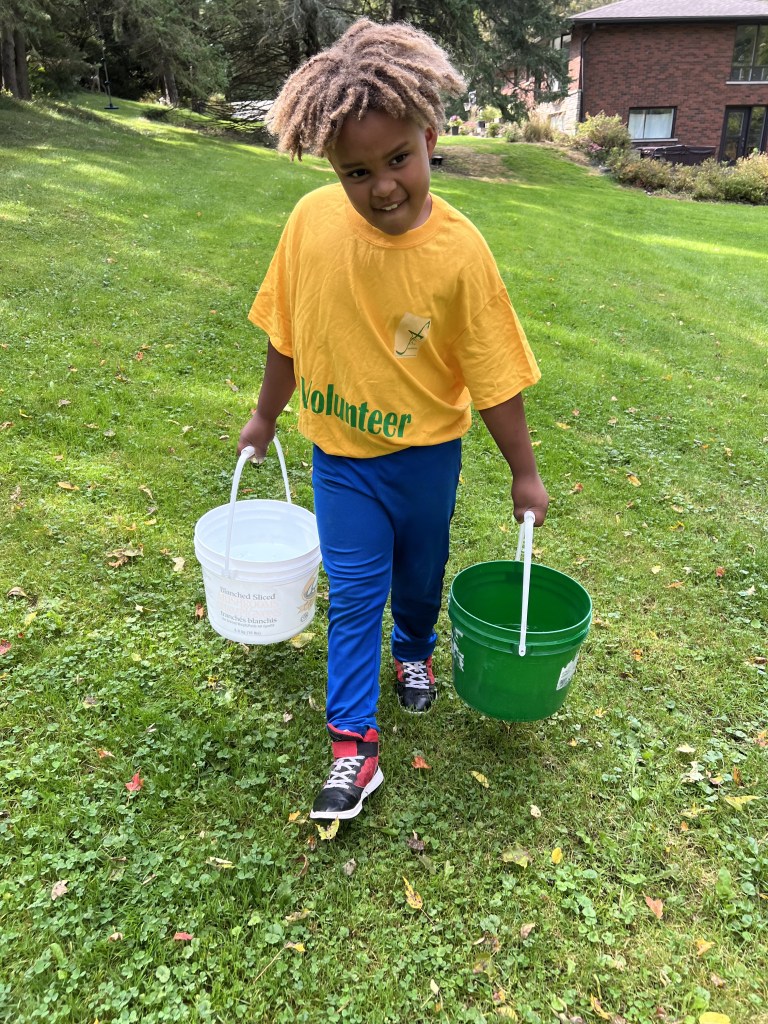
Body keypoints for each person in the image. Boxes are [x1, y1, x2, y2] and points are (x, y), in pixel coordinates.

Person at [237, 18, 549, 823]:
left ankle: (413, 650)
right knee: (353, 596)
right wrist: (265, 417)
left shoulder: (461, 253)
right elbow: (286, 334)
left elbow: (494, 374)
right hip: (340, 461)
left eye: (398, 159)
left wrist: (524, 470)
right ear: (331, 167)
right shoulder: (310, 225)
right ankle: (353, 746)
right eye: (357, 171)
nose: (381, 186)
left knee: (418, 578)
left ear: (430, 136)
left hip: (425, 459)